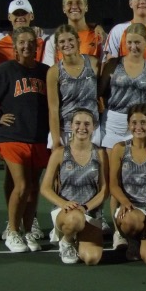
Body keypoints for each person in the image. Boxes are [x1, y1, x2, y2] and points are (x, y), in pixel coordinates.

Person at [0, 26, 50, 253]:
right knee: (22, 185)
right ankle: (13, 232)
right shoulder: (6, 70)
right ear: (15, 46)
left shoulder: (45, 72)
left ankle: (27, 231)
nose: (26, 46)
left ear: (36, 46)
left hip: (39, 138)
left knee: (34, 188)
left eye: (30, 42)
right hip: (12, 137)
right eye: (22, 42)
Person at [99, 22, 146, 248]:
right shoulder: (113, 64)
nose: (133, 46)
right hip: (113, 122)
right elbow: (100, 91)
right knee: (115, 179)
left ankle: (143, 220)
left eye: (137, 42)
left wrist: (144, 123)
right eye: (129, 42)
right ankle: (118, 231)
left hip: (138, 124)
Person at [39, 109, 109, 265]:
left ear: (94, 127)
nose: (82, 128)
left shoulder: (101, 154)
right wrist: (64, 204)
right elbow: (45, 188)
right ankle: (67, 240)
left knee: (92, 258)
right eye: (77, 123)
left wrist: (85, 207)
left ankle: (79, 236)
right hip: (66, 212)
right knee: (75, 219)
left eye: (87, 124)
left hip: (90, 211)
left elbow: (105, 190)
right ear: (71, 126)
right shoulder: (59, 153)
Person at [108, 104, 146, 264]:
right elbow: (113, 184)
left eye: (143, 122)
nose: (138, 127)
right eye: (134, 123)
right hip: (132, 209)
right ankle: (133, 239)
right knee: (129, 221)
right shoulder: (119, 149)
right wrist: (126, 203)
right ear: (128, 124)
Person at [46, 24, 101, 149]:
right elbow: (53, 110)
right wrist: (56, 141)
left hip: (92, 129)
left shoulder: (93, 63)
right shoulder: (54, 72)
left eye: (70, 40)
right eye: (62, 41)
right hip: (65, 131)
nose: (67, 44)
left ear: (78, 41)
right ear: (57, 46)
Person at [42, 0, 106, 65]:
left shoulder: (99, 36)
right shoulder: (53, 40)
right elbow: (49, 70)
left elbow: (106, 68)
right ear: (63, 9)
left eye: (79, 2)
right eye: (69, 3)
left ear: (86, 7)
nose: (74, 6)